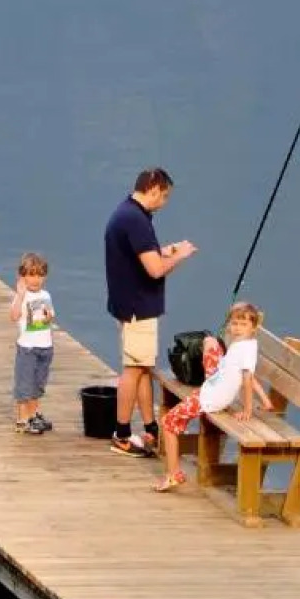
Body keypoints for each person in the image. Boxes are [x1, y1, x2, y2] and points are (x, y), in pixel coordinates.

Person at [103, 167, 196, 458]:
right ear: (153, 189)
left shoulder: (127, 213)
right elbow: (154, 270)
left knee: (142, 366)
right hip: (137, 309)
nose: (164, 202)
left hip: (127, 304)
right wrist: (180, 256)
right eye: (164, 196)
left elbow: (144, 256)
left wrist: (167, 249)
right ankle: (121, 433)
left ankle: (150, 427)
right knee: (133, 370)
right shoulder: (136, 220)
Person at [154, 301, 270, 492]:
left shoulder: (244, 350)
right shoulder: (245, 344)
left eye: (243, 325)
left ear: (254, 328)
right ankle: (173, 471)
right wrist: (265, 400)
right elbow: (244, 373)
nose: (237, 328)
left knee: (168, 422)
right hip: (216, 384)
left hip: (212, 397)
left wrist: (247, 410)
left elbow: (248, 379)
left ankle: (173, 474)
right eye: (234, 324)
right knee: (210, 342)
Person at [10, 252, 56, 434]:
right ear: (22, 277)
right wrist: (20, 295)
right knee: (24, 383)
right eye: (30, 275)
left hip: (45, 347)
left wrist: (49, 316)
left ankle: (34, 414)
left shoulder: (46, 295)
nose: (35, 279)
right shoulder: (22, 296)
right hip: (28, 348)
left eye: (39, 275)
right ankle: (22, 420)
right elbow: (13, 316)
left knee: (38, 384)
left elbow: (50, 316)